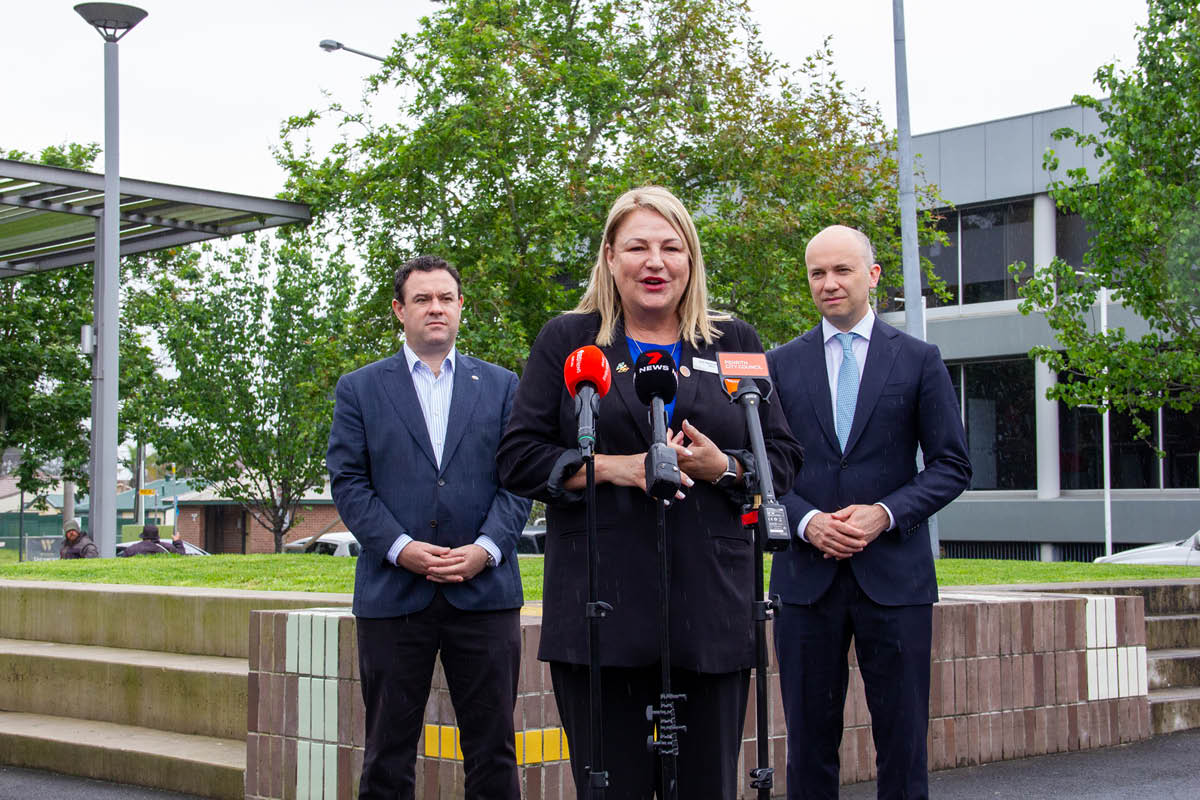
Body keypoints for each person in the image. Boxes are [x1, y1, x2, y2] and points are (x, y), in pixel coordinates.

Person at [498, 185, 803, 799]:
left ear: (691, 260)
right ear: (610, 257)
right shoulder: (568, 340)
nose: (655, 262)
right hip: (600, 611)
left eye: (671, 247)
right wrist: (617, 467)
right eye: (637, 246)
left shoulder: (734, 339)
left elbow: (784, 458)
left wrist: (724, 467)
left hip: (711, 607)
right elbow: (518, 458)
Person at [766, 225, 971, 800]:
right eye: (817, 273)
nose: (829, 284)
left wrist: (884, 512)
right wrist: (807, 523)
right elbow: (764, 469)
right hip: (806, 583)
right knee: (807, 747)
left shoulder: (919, 359)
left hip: (896, 580)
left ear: (873, 275)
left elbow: (952, 465)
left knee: (903, 747)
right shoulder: (777, 366)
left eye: (842, 270)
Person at [327, 255, 531, 800]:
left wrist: (485, 550)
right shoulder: (359, 389)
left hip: (484, 594)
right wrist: (402, 548)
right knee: (387, 754)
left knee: (493, 752)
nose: (435, 308)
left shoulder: (504, 385)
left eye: (445, 298)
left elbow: (519, 481)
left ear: (462, 307)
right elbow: (349, 484)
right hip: (394, 595)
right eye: (422, 299)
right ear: (399, 310)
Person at [117, 523, 187, 556]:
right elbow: (181, 554)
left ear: (143, 536)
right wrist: (177, 541)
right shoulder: (167, 548)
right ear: (157, 536)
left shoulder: (132, 549)